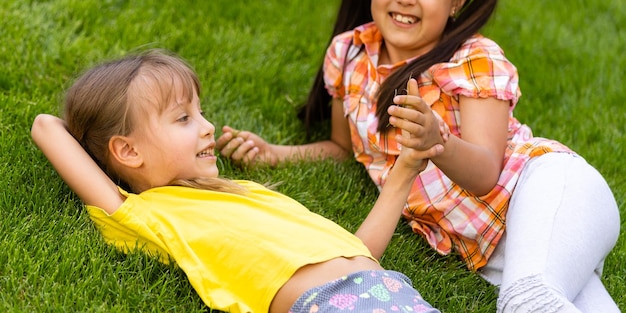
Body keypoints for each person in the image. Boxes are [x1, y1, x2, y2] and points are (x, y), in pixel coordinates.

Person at [216, 0, 621, 313]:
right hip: (498, 251)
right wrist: (274, 153)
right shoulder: (348, 53)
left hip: (547, 191)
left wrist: (437, 143)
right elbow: (344, 146)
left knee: (527, 300)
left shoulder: (473, 59)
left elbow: (485, 174)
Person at [30, 49, 446, 313]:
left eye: (199, 112)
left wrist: (404, 171)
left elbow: (358, 251)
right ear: (128, 151)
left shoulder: (248, 193)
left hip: (392, 290)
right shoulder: (144, 212)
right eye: (183, 119)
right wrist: (95, 128)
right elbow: (46, 126)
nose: (208, 126)